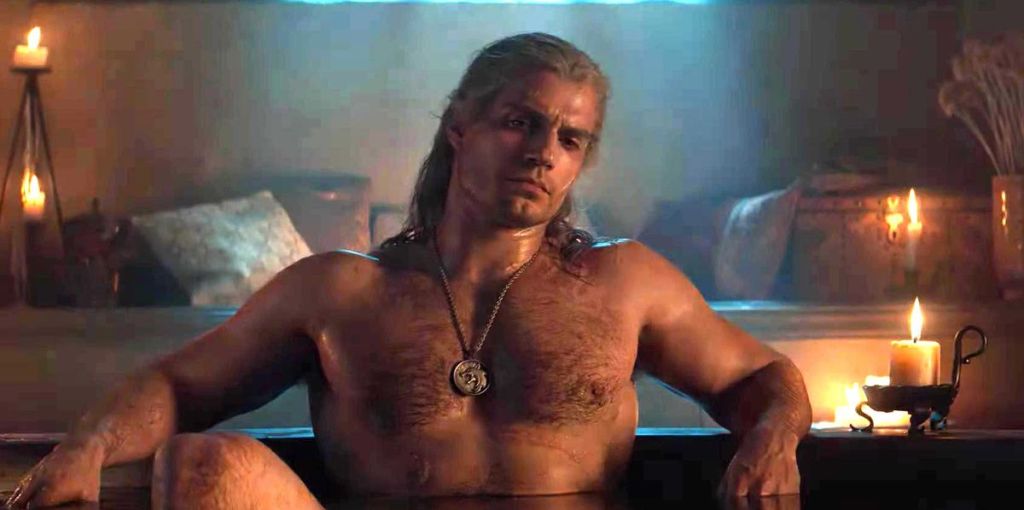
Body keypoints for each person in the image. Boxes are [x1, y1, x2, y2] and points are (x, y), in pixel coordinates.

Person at [5, 32, 810, 510]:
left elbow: (764, 375)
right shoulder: (342, 290)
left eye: (570, 139)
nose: (543, 152)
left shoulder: (624, 282)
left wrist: (775, 435)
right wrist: (86, 446)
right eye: (520, 122)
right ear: (460, 128)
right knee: (202, 466)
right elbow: (179, 384)